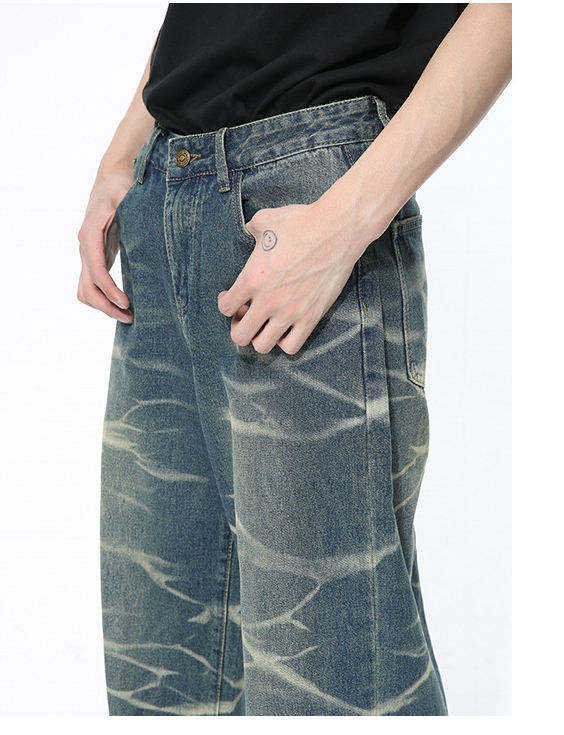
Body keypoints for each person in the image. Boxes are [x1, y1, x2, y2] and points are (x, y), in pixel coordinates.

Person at [78, 3, 511, 716]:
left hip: (307, 199)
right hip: (164, 188)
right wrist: (121, 157)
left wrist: (345, 222)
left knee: (331, 684)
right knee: (160, 678)